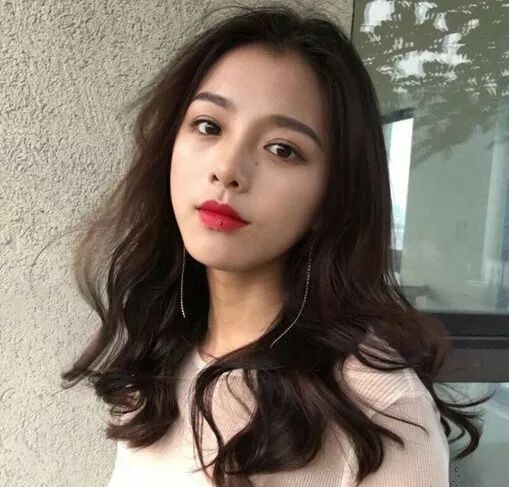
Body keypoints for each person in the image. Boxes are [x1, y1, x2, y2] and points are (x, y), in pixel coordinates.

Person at [60, 3, 490, 486]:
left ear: (333, 194)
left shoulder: (380, 411)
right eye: (209, 126)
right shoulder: (157, 353)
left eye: (282, 149)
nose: (228, 169)